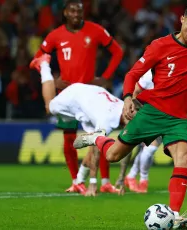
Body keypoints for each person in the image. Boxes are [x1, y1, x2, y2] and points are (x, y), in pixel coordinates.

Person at [74, 3, 187, 229]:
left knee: (185, 156)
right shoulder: (160, 46)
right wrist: (129, 97)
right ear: (181, 19)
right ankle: (96, 138)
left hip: (179, 119)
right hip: (152, 112)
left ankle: (175, 215)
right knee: (113, 155)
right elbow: (133, 74)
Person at [32, 0, 123, 193]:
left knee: (100, 135)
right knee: (69, 138)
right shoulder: (55, 35)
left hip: (91, 95)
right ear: (65, 12)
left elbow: (117, 52)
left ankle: (105, 182)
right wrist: (55, 81)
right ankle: (76, 181)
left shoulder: (95, 30)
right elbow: (38, 57)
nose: (76, 14)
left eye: (79, 11)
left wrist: (105, 78)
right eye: (72, 10)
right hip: (67, 95)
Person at [30, 53, 125, 196]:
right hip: (75, 96)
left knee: (95, 142)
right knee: (49, 107)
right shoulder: (107, 119)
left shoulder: (125, 107)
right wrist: (93, 183)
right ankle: (43, 64)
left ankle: (78, 182)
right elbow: (96, 150)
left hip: (90, 99)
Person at [124, 70, 187, 193]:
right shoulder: (150, 75)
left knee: (148, 149)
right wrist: (138, 110)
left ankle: (131, 176)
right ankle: (142, 179)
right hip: (153, 115)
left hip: (173, 119)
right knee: (150, 149)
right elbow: (135, 91)